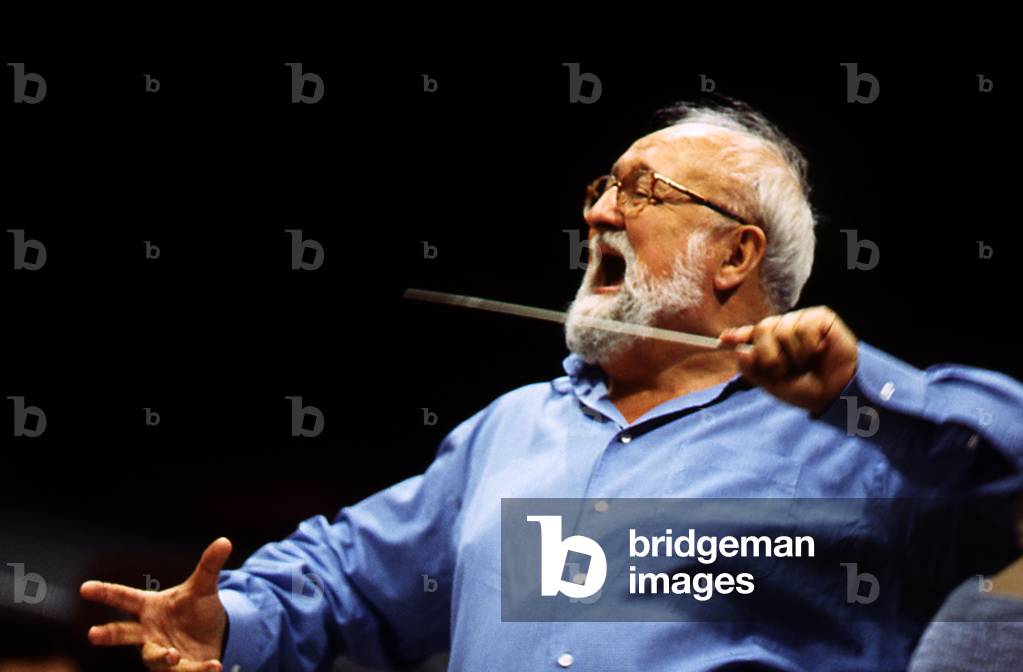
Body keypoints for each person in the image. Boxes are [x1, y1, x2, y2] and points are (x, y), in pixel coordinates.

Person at [79, 98, 1023, 671]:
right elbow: (348, 581)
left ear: (735, 254)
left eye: (641, 191)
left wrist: (864, 390)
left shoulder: (855, 438)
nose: (600, 210)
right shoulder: (512, 431)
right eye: (599, 187)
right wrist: (229, 623)